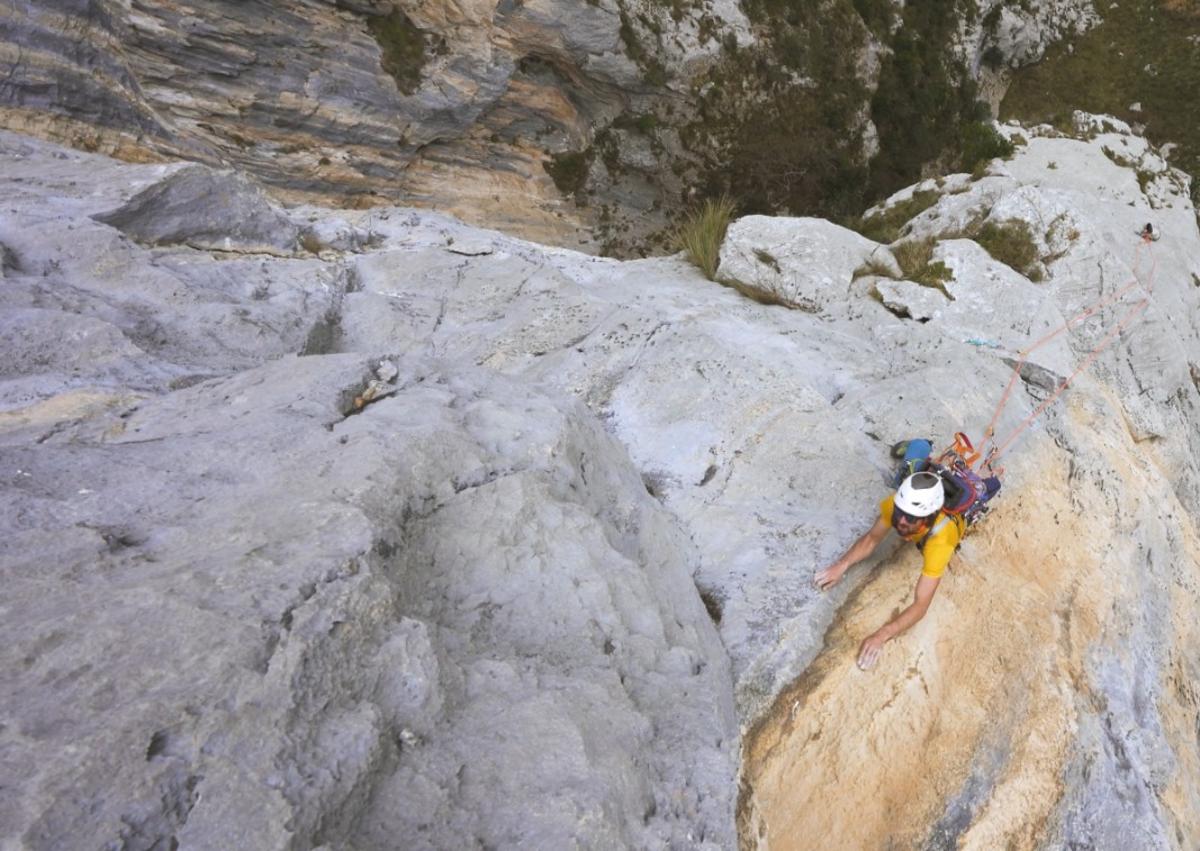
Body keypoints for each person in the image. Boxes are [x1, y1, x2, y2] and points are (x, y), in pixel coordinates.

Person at [813, 470, 979, 671]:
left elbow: (920, 606)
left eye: (910, 518)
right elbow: (872, 538)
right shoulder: (897, 505)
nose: (901, 521)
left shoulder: (941, 541)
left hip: (946, 530)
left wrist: (882, 635)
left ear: (929, 517)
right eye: (901, 514)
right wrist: (842, 564)